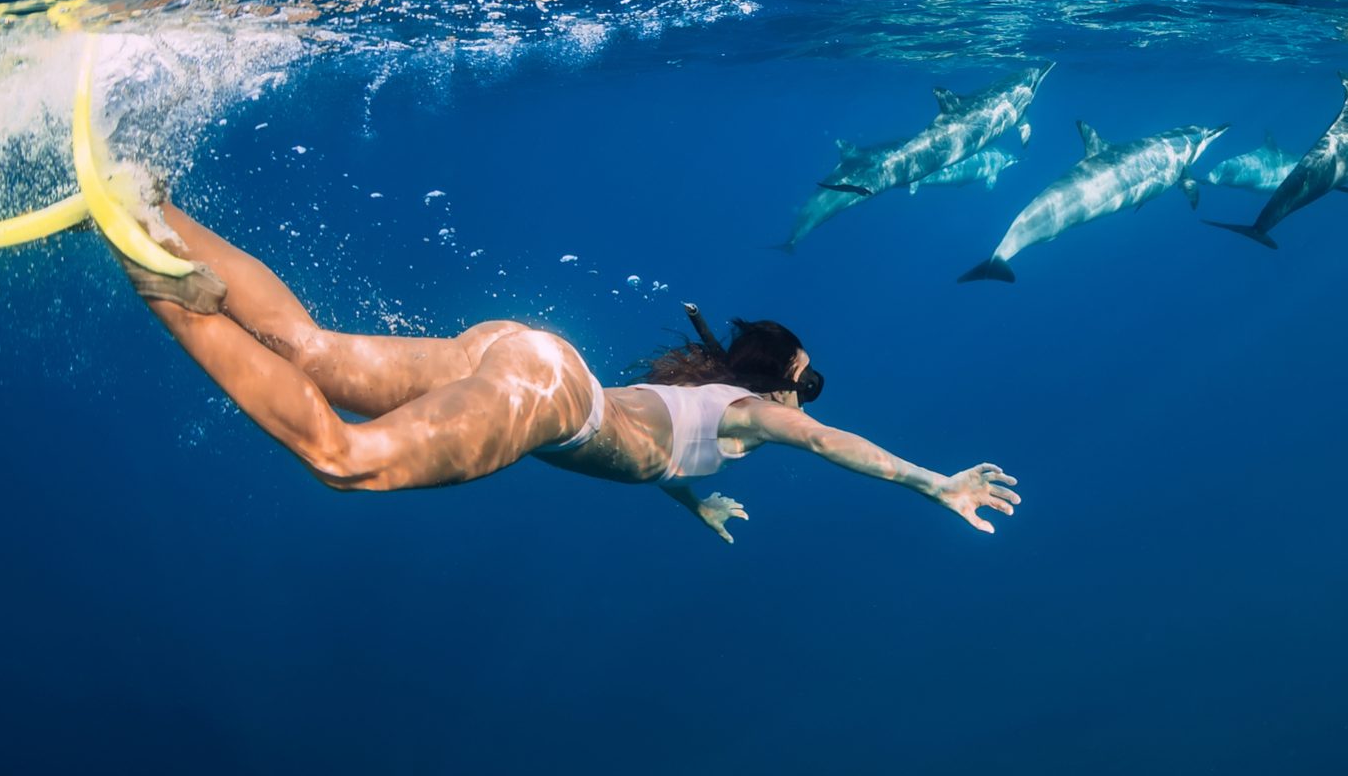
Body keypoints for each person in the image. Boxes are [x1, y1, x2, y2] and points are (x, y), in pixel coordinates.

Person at [115, 202, 1020, 543]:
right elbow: (829, 442)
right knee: (343, 459)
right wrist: (929, 482)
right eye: (804, 382)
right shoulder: (754, 414)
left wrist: (693, 500)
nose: (805, 399)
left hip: (521, 351)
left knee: (312, 350)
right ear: (776, 383)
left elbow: (660, 452)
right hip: (549, 397)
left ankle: (153, 206)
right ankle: (152, 279)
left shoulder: (704, 399)